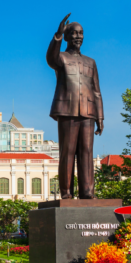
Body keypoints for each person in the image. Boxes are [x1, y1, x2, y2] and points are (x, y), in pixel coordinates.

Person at [46, 13, 104, 199]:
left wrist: (100, 117)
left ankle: (87, 191)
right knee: (67, 151)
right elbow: (51, 59)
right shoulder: (61, 58)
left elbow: (96, 91)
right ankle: (66, 192)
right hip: (67, 111)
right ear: (68, 36)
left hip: (88, 112)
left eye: (81, 33)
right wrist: (58, 35)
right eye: (74, 33)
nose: (78, 36)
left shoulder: (90, 62)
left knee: (87, 152)